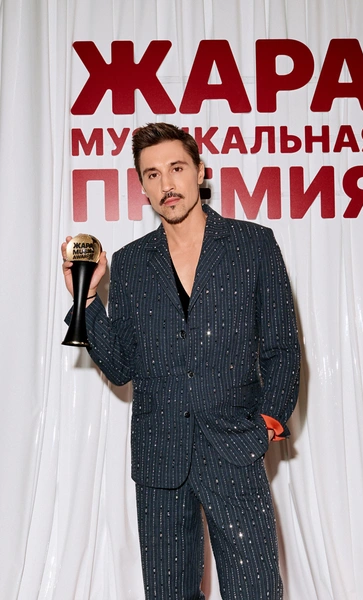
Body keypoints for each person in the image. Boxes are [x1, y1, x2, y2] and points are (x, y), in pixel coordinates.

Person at [61, 122, 301, 600]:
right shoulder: (130, 263)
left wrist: (267, 426)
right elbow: (121, 367)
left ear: (200, 171)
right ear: (143, 185)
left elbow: (283, 348)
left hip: (235, 449)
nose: (166, 184)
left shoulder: (253, 244)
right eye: (152, 174)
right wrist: (86, 302)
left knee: (256, 590)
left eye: (176, 168)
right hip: (159, 458)